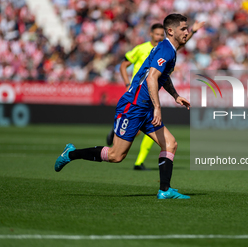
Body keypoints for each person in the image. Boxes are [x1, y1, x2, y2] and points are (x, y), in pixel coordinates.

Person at [55, 13, 193, 199]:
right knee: (116, 156)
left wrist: (175, 95)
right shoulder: (166, 50)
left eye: (187, 28)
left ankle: (165, 190)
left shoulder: (169, 49)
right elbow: (152, 78)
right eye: (183, 29)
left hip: (144, 107)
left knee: (170, 144)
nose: (187, 31)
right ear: (171, 30)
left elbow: (163, 76)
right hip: (134, 106)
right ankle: (71, 153)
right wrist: (158, 108)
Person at [106, 21, 204, 171]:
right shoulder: (145, 49)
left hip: (147, 98)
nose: (158, 37)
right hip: (137, 96)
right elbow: (127, 66)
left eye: (160, 34)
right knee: (118, 153)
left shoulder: (166, 49)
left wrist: (193, 32)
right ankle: (117, 131)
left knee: (167, 142)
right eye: (156, 34)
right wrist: (127, 84)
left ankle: (148, 171)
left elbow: (178, 44)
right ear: (152, 34)